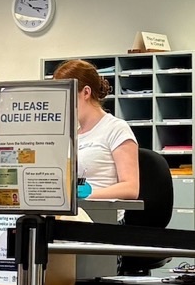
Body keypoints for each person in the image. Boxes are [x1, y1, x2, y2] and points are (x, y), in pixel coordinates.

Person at [54, 59, 138, 200]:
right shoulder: (72, 133)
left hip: (102, 216)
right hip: (73, 215)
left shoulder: (116, 129)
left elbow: (131, 188)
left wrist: (86, 196)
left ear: (86, 93)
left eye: (65, 95)